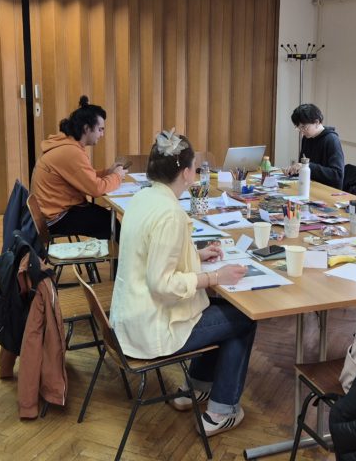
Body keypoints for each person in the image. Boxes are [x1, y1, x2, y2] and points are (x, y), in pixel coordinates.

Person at [110, 130, 256, 436]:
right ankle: (222, 410)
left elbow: (152, 256)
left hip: (130, 315)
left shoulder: (143, 197)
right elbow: (162, 283)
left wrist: (196, 255)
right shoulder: (170, 214)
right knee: (243, 319)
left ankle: (197, 387)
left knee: (220, 310)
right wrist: (215, 277)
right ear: (187, 173)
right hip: (151, 326)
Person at [32, 95, 127, 240]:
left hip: (54, 209)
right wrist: (117, 176)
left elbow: (83, 175)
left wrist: (108, 172)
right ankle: (117, 255)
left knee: (107, 219)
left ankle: (110, 252)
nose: (102, 134)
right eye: (100, 129)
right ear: (87, 128)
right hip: (56, 217)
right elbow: (96, 189)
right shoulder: (71, 152)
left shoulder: (67, 144)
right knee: (110, 223)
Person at [285, 103, 345, 189]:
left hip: (327, 190)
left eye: (304, 127)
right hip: (309, 186)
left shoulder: (331, 140)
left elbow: (337, 175)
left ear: (317, 122)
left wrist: (307, 166)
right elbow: (303, 166)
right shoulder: (307, 137)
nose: (302, 132)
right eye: (299, 128)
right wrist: (294, 169)